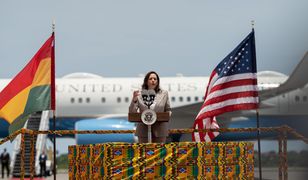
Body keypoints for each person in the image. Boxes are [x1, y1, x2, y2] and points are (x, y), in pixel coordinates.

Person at [129, 71, 171, 143]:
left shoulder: (164, 94)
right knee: (144, 152)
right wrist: (134, 100)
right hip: (143, 130)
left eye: (155, 79)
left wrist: (166, 117)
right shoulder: (140, 94)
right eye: (151, 79)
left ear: (157, 81)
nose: (153, 80)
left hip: (160, 129)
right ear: (146, 81)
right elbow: (132, 112)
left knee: (158, 152)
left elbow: (168, 109)